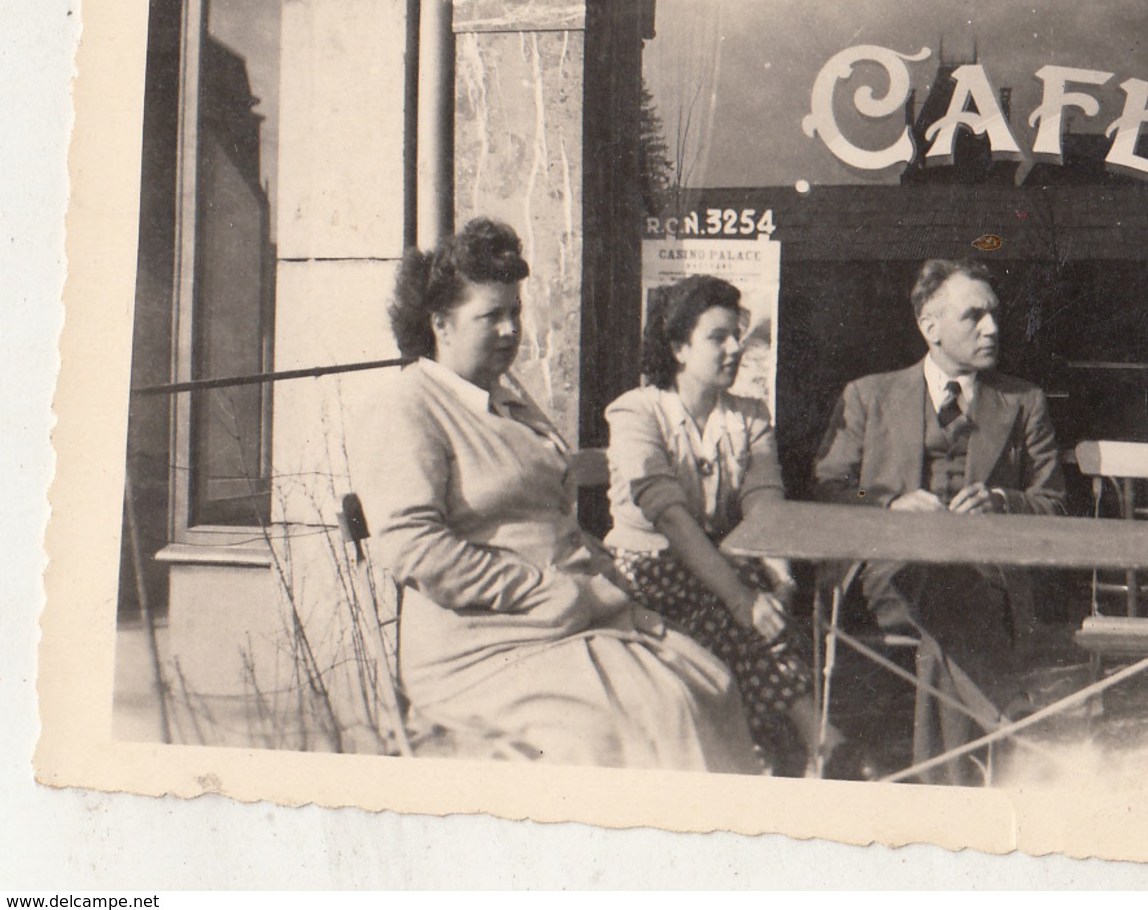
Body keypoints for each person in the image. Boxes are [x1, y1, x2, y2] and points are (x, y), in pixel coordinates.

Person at [348, 218, 762, 773]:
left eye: (515, 312)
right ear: (441, 323)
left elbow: (544, 517)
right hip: (481, 645)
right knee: (664, 710)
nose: (509, 330)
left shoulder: (507, 402)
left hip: (565, 620)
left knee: (712, 682)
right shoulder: (407, 407)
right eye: (490, 315)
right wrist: (550, 590)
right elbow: (412, 549)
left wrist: (601, 570)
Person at [812, 259, 1066, 766]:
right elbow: (831, 488)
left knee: (944, 625)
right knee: (942, 585)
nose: (992, 328)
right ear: (930, 326)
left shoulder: (1023, 402)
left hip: (986, 574)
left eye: (994, 314)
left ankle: (945, 780)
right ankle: (1008, 712)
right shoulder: (869, 395)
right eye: (974, 316)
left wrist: (1002, 502)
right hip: (887, 571)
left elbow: (1052, 502)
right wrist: (887, 503)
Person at [603, 276, 853, 775]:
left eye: (737, 334)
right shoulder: (637, 411)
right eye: (718, 337)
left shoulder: (749, 414)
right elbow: (669, 516)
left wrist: (781, 579)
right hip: (647, 571)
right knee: (730, 608)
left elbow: (764, 502)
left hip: (717, 569)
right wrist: (743, 599)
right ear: (678, 347)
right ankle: (812, 735)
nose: (736, 348)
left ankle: (765, 750)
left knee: (757, 598)